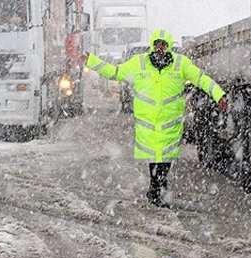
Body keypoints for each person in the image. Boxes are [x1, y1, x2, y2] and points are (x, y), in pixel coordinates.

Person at [82, 29, 228, 207]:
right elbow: (115, 72)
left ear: (168, 47)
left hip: (170, 122)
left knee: (165, 159)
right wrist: (92, 61)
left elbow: (202, 80)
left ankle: (157, 188)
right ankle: (157, 188)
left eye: (164, 45)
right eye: (157, 44)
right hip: (148, 123)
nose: (160, 48)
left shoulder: (181, 64)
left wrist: (219, 95)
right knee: (154, 157)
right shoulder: (139, 64)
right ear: (152, 46)